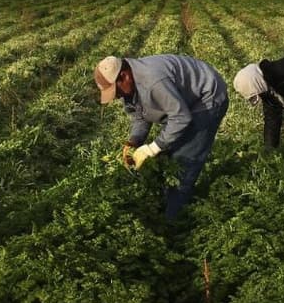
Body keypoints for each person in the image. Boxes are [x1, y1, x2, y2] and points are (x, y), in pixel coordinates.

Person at [94, 54, 228, 220]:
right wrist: (133, 141)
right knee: (166, 154)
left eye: (116, 90)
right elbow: (141, 116)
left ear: (124, 76)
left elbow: (181, 118)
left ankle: (173, 221)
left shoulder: (153, 81)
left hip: (207, 97)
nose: (117, 96)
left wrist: (153, 148)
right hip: (184, 104)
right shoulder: (131, 86)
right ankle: (166, 202)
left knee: (182, 162)